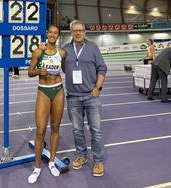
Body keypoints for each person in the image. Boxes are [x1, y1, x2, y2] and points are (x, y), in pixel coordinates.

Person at [64, 20, 107, 176]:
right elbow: (56, 63)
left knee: (96, 130)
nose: (78, 32)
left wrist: (98, 87)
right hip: (73, 97)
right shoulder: (65, 49)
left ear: (85, 32)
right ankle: (81, 156)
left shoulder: (93, 47)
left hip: (91, 96)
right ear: (71, 32)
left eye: (81, 30)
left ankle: (98, 161)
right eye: (75, 30)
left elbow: (102, 67)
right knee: (77, 130)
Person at [27, 25, 66, 184]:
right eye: (50, 32)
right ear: (46, 34)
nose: (52, 35)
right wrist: (38, 72)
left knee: (55, 127)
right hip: (43, 91)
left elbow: (66, 69)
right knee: (41, 130)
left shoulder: (62, 53)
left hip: (58, 90)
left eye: (55, 33)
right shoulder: (38, 51)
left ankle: (51, 162)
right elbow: (30, 72)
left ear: (58, 36)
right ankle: (36, 168)